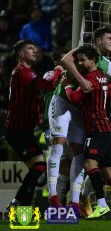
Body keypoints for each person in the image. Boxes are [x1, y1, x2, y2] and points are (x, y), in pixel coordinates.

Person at [61, 25, 111, 219]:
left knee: (89, 164)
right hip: (106, 128)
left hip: (96, 129)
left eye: (82, 60)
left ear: (93, 60)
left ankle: (102, 204)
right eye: (78, 60)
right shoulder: (104, 78)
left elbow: (73, 98)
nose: (79, 63)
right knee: (109, 173)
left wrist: (65, 86)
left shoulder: (90, 80)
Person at [5, 39, 63, 211]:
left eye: (35, 48)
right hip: (18, 130)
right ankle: (16, 204)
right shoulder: (23, 72)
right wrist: (59, 70)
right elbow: (49, 85)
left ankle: (22, 209)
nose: (35, 51)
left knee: (35, 168)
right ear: (21, 54)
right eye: (30, 49)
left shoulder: (25, 72)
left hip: (23, 130)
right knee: (38, 165)